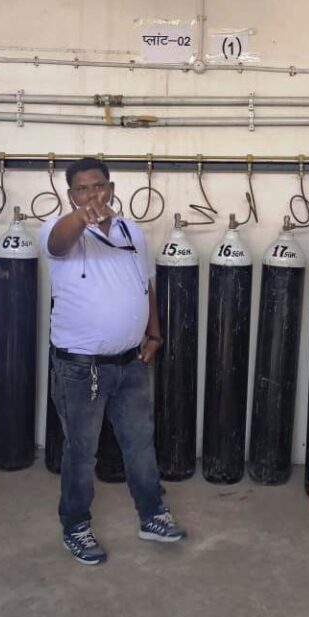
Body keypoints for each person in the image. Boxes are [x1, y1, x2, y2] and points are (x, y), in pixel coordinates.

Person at [43, 156, 186, 566]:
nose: (92, 195)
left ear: (112, 188)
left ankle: (152, 515)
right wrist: (80, 217)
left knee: (139, 444)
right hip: (80, 367)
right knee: (81, 452)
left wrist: (154, 334)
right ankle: (75, 526)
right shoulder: (58, 229)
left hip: (131, 362)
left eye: (98, 186)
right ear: (71, 195)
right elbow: (57, 243)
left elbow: (145, 285)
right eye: (82, 189)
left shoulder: (131, 230)